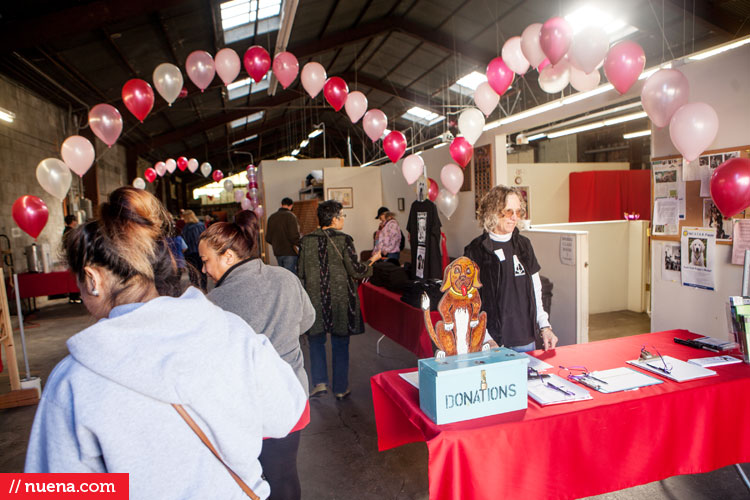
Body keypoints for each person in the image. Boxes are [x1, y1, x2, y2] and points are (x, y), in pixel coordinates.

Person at [24, 187, 306, 500]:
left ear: (92, 279)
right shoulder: (233, 332)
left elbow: (55, 489)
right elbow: (285, 414)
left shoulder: (74, 381)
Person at [199, 210, 314, 500]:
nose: (203, 270)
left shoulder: (215, 301)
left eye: (205, 261)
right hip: (292, 395)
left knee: (250, 479)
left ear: (227, 257)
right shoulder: (285, 278)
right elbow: (307, 321)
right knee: (286, 474)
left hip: (246, 406)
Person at [298, 200, 381, 400]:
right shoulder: (344, 240)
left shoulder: (306, 241)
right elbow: (355, 270)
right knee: (340, 343)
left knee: (316, 340)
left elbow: (300, 273)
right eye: (342, 215)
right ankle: (340, 388)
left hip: (314, 299)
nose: (343, 219)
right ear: (334, 219)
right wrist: (372, 261)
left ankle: (319, 384)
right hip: (340, 300)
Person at [464, 185, 558, 352]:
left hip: (525, 338)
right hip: (493, 341)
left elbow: (536, 290)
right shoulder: (475, 250)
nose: (514, 217)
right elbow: (470, 300)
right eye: (509, 212)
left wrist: (545, 326)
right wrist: (486, 338)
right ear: (493, 211)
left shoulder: (524, 245)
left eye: (518, 212)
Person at [266, 198, 301, 274]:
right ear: (291, 206)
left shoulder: (272, 217)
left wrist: (276, 243)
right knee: (290, 276)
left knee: (282, 275)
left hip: (278, 251)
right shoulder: (291, 216)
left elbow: (268, 238)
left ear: (281, 205)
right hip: (290, 252)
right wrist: (300, 245)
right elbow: (293, 236)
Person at [181, 209, 207, 290]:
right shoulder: (201, 225)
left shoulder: (186, 228)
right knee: (203, 271)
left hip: (190, 253)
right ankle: (204, 288)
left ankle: (196, 289)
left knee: (193, 273)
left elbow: (185, 241)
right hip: (201, 252)